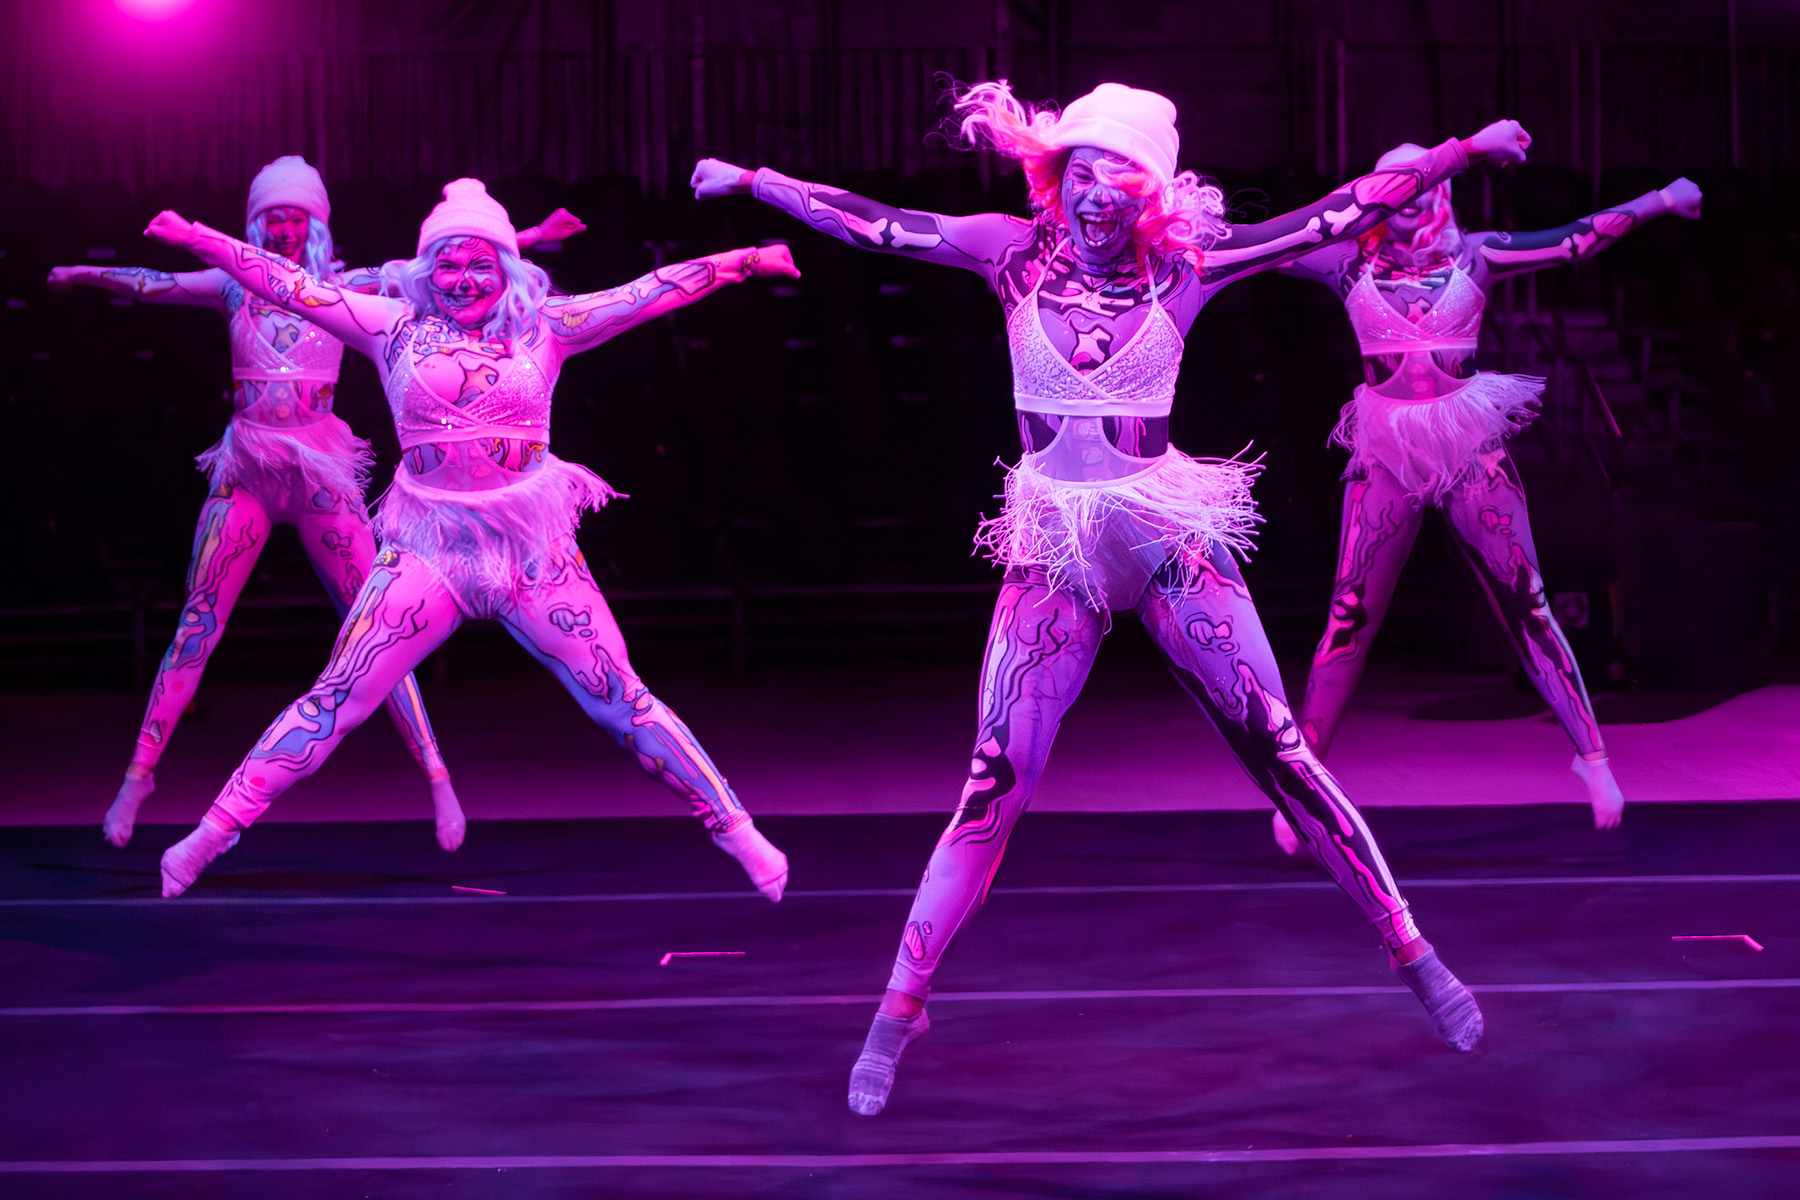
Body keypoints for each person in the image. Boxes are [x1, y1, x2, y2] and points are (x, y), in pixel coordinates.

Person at [694, 81, 1532, 1115]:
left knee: (1280, 747)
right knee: (992, 782)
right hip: (1055, 542)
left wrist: (1462, 150)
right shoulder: (1007, 254)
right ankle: (898, 1010)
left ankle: (1414, 953)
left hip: (1169, 534)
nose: (1099, 195)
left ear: (1153, 195)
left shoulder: (1186, 267)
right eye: (1085, 172)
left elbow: (1345, 207)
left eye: (1122, 178)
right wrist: (754, 181)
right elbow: (878, 225)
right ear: (1059, 178)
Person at [140, 178, 795, 903]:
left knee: (620, 697)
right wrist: (202, 239)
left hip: (530, 547)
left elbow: (651, 289)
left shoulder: (547, 325)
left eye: (480, 263)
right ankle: (210, 833)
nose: (462, 279)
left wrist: (748, 260)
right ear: (427, 270)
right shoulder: (389, 324)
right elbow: (288, 284)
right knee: (337, 699)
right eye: (447, 265)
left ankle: (733, 825)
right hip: (429, 547)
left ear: (508, 268)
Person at [47, 156, 586, 851]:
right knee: (198, 619)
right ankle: (139, 773)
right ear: (257, 222)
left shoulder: (345, 286)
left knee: (379, 632)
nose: (285, 229)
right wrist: (85, 275)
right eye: (274, 217)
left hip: (322, 470)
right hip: (248, 465)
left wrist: (532, 234)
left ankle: (436, 775)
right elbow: (154, 285)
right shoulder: (233, 284)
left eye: (297, 217)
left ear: (317, 225)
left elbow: (424, 269)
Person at [1270, 148, 1703, 852]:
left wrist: (1658, 198)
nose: (1411, 194)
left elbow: (1574, 238)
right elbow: (1266, 247)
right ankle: (1304, 786)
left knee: (1526, 599)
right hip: (1386, 450)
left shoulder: (1475, 257)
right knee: (1349, 617)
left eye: (1425, 182)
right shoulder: (1344, 260)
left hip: (1468, 444)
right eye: (1396, 183)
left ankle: (1591, 756)